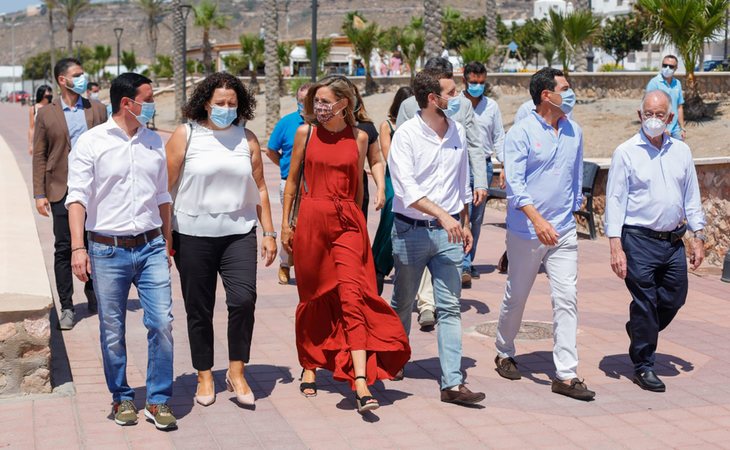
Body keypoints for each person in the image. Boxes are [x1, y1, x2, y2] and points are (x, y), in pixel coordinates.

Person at [280, 76, 410, 414]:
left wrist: (359, 222)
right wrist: (286, 226)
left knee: (354, 296)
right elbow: (292, 182)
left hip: (347, 223)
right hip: (310, 219)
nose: (319, 108)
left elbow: (358, 191)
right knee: (313, 296)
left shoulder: (360, 137)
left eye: (325, 102)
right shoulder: (304, 133)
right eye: (316, 102)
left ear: (344, 103)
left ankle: (362, 382)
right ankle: (310, 363)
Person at [66, 72, 177, 430]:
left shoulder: (153, 142)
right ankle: (122, 397)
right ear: (127, 103)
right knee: (112, 329)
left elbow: (162, 195)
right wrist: (78, 247)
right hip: (106, 249)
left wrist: (168, 241)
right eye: (148, 98)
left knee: (161, 322)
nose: (153, 104)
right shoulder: (92, 142)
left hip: (151, 246)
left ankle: (158, 400)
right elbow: (77, 198)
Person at [166, 72, 277, 407]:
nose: (227, 108)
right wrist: (163, 234)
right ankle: (204, 376)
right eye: (220, 103)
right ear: (205, 103)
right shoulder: (186, 134)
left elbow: (259, 187)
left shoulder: (247, 138)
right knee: (199, 309)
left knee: (243, 300)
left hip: (239, 233)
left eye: (232, 103)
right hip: (192, 234)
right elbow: (164, 189)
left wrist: (269, 232)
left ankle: (236, 371)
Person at [493, 68, 595, 401]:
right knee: (517, 295)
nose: (571, 93)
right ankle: (504, 350)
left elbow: (576, 172)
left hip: (563, 231)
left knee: (567, 297)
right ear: (545, 95)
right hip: (527, 232)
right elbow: (516, 186)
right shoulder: (520, 133)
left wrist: (573, 206)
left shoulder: (574, 131)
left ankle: (566, 374)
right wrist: (537, 222)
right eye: (565, 88)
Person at [389, 69, 486, 406]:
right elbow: (407, 189)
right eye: (452, 91)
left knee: (449, 308)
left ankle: (452, 384)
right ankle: (395, 358)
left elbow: (461, 180)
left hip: (449, 235)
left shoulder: (456, 130)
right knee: (403, 302)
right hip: (410, 231)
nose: (457, 96)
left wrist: (464, 219)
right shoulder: (406, 136)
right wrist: (442, 215)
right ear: (433, 99)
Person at [605, 90, 705, 392]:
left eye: (659, 114)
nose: (653, 119)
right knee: (646, 303)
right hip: (638, 240)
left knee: (675, 297)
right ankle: (643, 365)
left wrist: (698, 236)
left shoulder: (682, 152)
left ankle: (639, 330)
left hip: (673, 240)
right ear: (639, 115)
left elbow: (691, 196)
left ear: (670, 118)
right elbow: (615, 200)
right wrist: (615, 245)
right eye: (648, 113)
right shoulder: (626, 152)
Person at [396, 57, 488, 329]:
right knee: (423, 241)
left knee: (454, 237)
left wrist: (479, 182)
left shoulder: (462, 112)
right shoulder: (409, 107)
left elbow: (474, 145)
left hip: (454, 187)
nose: (456, 94)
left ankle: (438, 301)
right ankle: (426, 303)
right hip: (418, 197)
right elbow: (400, 145)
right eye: (449, 87)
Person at [32, 58, 107, 330]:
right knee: (64, 249)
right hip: (61, 189)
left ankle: (93, 292)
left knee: (95, 244)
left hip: (93, 189)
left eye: (83, 73)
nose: (82, 78)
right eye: (77, 74)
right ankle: (66, 306)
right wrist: (39, 193)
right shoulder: (46, 114)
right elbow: (39, 155)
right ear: (62, 80)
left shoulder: (97, 109)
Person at [460, 61, 504, 286]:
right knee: (458, 213)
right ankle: (458, 261)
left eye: (481, 82)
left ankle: (466, 260)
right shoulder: (455, 103)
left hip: (483, 167)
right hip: (458, 164)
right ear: (464, 79)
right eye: (473, 82)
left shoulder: (491, 107)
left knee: (476, 217)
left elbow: (499, 136)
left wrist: (503, 165)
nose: (477, 86)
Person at [266, 82, 312, 285]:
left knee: (309, 228)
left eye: (308, 101)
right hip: (290, 184)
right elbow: (271, 151)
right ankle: (285, 264)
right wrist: (286, 168)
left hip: (313, 184)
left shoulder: (321, 123)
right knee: (289, 225)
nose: (304, 104)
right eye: (301, 101)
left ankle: (307, 266)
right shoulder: (286, 122)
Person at [372, 86, 413, 294]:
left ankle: (391, 263)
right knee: (390, 215)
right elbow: (389, 156)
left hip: (413, 178)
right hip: (394, 177)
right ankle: (378, 263)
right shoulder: (387, 126)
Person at [350, 81, 386, 221]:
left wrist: (381, 189)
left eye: (352, 95)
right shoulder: (324, 129)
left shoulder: (367, 127)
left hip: (359, 189)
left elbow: (375, 161)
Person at [646, 55, 685, 140]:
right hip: (659, 128)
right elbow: (648, 108)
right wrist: (659, 128)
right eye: (665, 65)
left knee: (680, 151)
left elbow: (679, 107)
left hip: (675, 128)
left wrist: (682, 128)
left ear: (676, 68)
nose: (667, 68)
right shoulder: (654, 83)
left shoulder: (677, 83)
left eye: (671, 66)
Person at [27, 85, 53, 155]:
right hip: (39, 140)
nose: (50, 94)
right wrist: (30, 144)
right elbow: (31, 127)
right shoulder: (33, 109)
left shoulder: (53, 107)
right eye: (48, 92)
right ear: (42, 94)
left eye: (51, 92)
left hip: (52, 140)